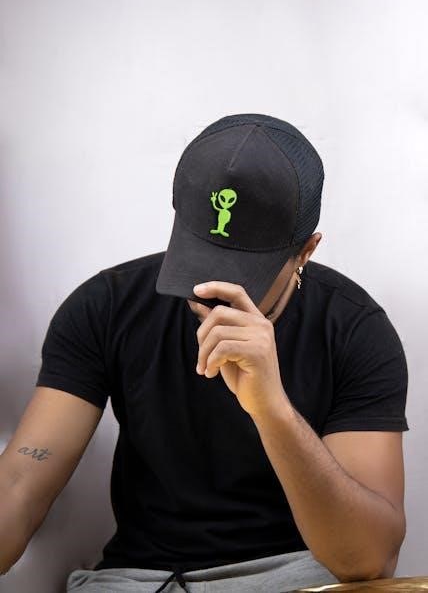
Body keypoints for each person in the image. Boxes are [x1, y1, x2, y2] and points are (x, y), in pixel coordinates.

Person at [0, 113, 408, 593]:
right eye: (201, 258)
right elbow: (21, 485)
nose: (213, 290)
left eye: (246, 273)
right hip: (140, 581)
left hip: (291, 577)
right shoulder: (106, 306)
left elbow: (369, 562)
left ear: (306, 252)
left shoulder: (353, 328)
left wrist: (272, 409)